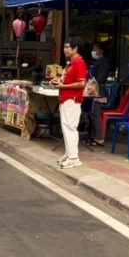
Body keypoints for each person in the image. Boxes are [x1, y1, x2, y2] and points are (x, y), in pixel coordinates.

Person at [52, 37, 88, 169]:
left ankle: (74, 158)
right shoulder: (70, 63)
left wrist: (62, 86)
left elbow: (81, 83)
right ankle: (69, 154)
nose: (65, 49)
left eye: (67, 47)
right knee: (66, 128)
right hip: (66, 98)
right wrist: (57, 81)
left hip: (72, 99)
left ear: (75, 48)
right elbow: (65, 79)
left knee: (70, 128)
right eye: (64, 47)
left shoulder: (79, 63)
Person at [86, 42, 112, 146]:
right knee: (91, 113)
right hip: (92, 91)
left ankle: (99, 138)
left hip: (98, 91)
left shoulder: (104, 63)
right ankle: (92, 136)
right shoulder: (98, 62)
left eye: (95, 49)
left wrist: (91, 84)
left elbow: (100, 79)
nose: (93, 52)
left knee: (95, 114)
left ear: (101, 51)